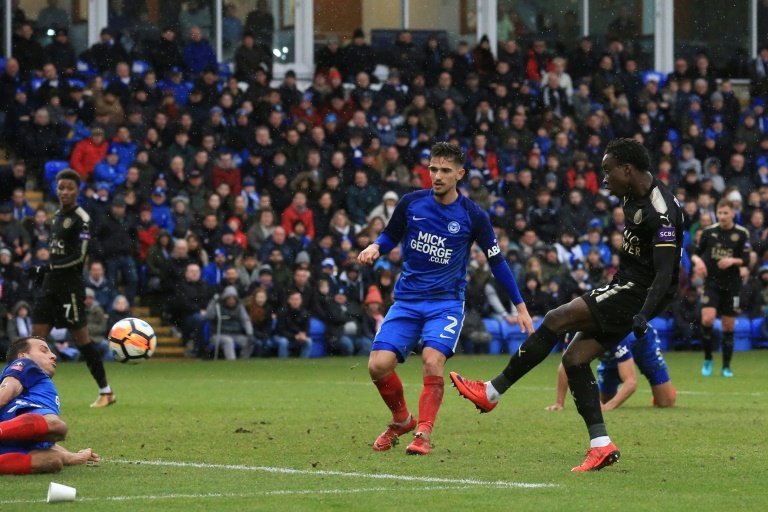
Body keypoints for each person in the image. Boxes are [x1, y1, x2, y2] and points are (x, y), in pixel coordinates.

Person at [450, 138, 684, 471]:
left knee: (557, 317)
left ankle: (492, 391)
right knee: (574, 359)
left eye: (608, 171)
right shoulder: (633, 193)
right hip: (626, 284)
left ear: (628, 170)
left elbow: (664, 273)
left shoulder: (661, 212)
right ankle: (601, 445)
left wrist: (644, 313)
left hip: (640, 292)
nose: (604, 179)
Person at [357, 142, 533, 456]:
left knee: (431, 359)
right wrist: (375, 247)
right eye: (434, 169)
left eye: (445, 170)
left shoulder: (473, 215)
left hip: (445, 303)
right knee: (377, 366)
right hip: (407, 300)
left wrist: (520, 306)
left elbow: (497, 261)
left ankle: (423, 433)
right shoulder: (411, 203)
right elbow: (390, 234)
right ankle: (402, 420)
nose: (437, 176)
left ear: (460, 174)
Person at [31, 169, 116, 408]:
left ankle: (106, 390)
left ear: (77, 191)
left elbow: (79, 258)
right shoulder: (56, 215)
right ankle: (31, 393)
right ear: (56, 190)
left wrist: (47, 266)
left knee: (82, 340)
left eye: (69, 188)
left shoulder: (82, 218)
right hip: (51, 285)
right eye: (61, 188)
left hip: (70, 287)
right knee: (34, 339)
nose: (65, 192)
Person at [0, 336, 100, 474]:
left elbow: (40, 435)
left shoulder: (37, 382)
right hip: (15, 419)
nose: (53, 355)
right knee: (57, 426)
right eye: (44, 350)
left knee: (52, 460)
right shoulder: (25, 364)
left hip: (14, 439)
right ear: (22, 356)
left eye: (51, 351)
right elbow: (8, 389)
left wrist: (73, 456)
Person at [545, 329, 676, 412]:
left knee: (665, 402)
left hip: (642, 345)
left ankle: (665, 390)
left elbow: (631, 382)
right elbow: (566, 366)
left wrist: (609, 407)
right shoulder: (573, 332)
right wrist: (559, 403)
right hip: (610, 354)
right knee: (603, 400)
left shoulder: (614, 331)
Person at [691, 198, 751, 378]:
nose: (723, 216)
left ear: (733, 213)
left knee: (728, 325)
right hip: (712, 283)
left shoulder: (741, 234)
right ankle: (708, 359)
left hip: (733, 286)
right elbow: (695, 253)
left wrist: (732, 260)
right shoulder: (709, 232)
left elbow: (746, 260)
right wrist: (698, 262)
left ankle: (726, 366)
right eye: (720, 213)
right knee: (707, 319)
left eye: (726, 213)